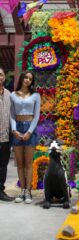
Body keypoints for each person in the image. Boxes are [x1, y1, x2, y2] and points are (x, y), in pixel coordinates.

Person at [10, 71, 40, 204]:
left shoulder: (36, 96)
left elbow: (37, 115)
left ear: (32, 82)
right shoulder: (12, 95)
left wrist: (29, 132)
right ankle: (21, 190)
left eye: (30, 79)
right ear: (22, 78)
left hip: (30, 129)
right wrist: (14, 129)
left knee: (28, 164)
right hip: (17, 128)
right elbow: (11, 114)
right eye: (26, 77)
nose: (27, 80)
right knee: (20, 164)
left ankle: (28, 191)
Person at [0, 67, 13, 201]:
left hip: (6, 137)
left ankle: (1, 191)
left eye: (1, 74)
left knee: (3, 166)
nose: (0, 77)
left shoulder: (9, 94)